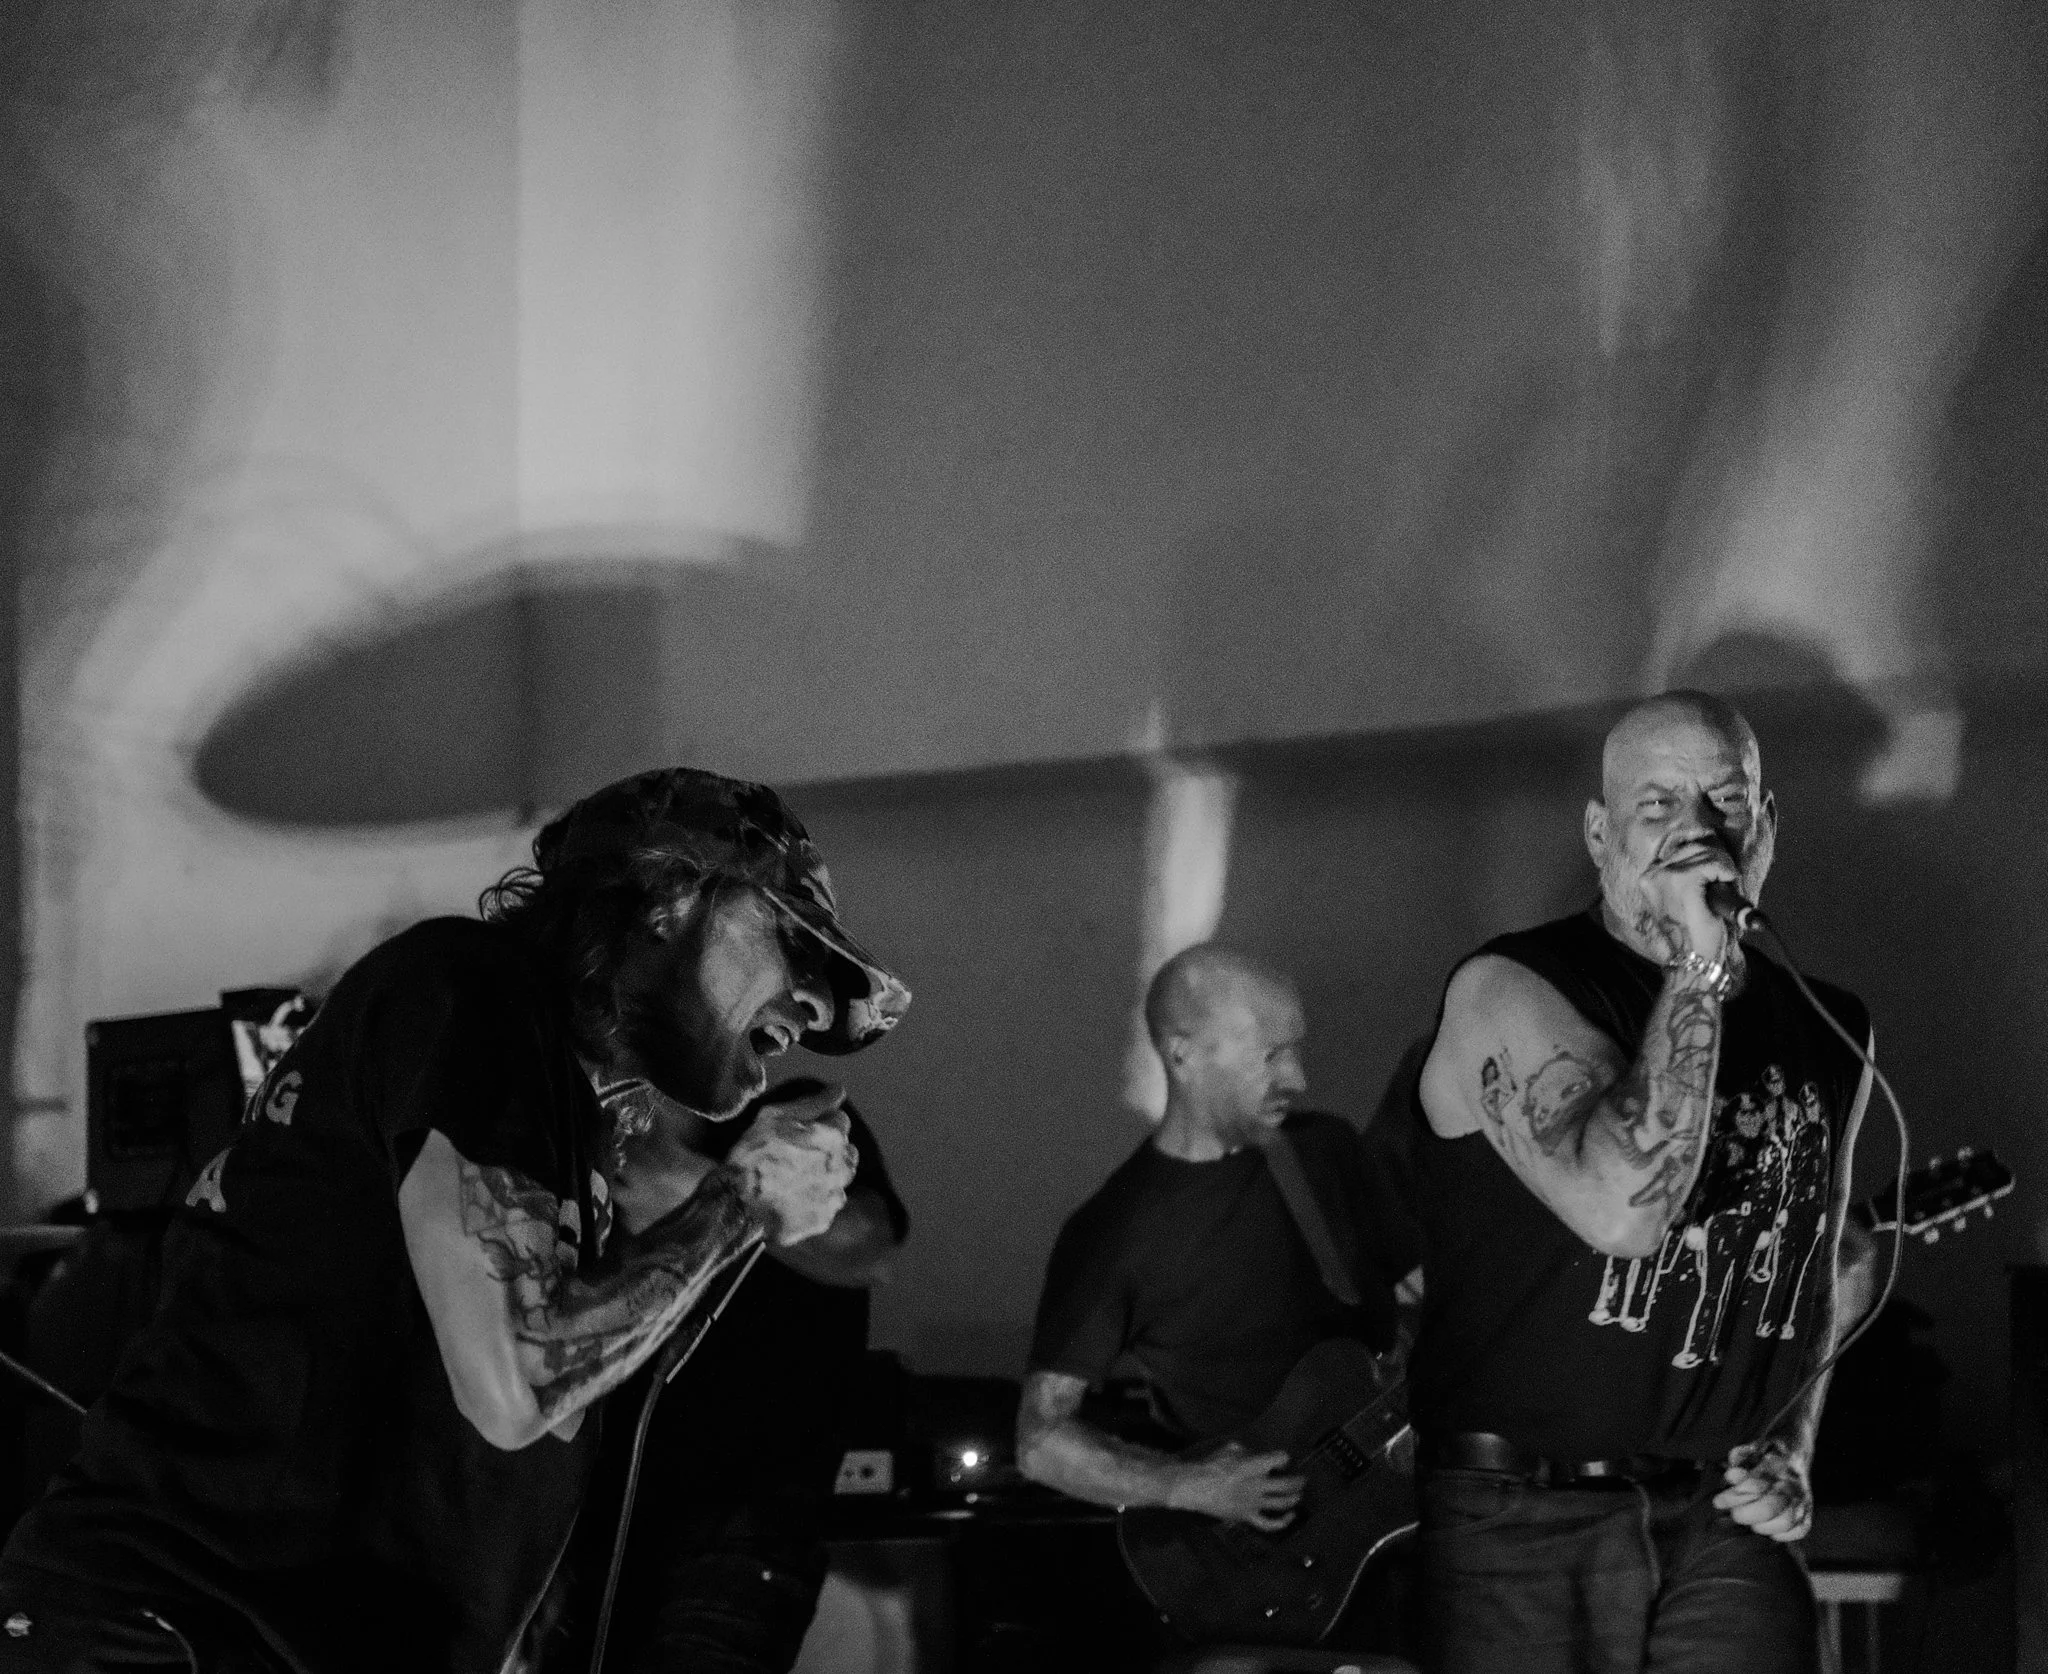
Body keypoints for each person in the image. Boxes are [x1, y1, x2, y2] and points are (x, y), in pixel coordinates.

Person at [0, 768, 910, 1674]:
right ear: (667, 900)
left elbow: (487, 1462)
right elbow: (514, 1383)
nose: (818, 1006)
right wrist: (738, 1201)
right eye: (793, 950)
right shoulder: (472, 992)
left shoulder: (568, 1123)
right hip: (178, 1629)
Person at [1409, 691, 1877, 1674]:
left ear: (1766, 826)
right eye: (1656, 804)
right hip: (1526, 1519)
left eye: (1724, 801)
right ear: (1598, 832)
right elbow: (1622, 1211)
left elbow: (1830, 1252)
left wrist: (1791, 1445)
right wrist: (1699, 972)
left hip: (1723, 1517)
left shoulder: (1830, 1024)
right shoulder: (1508, 989)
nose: (1696, 832)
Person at [1015, 945, 1420, 1656]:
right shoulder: (1116, 1231)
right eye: (1270, 1054)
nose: (1297, 1076)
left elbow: (1427, 1295)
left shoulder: (1323, 1151)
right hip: (1257, 1570)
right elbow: (1041, 1441)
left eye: (1296, 1050)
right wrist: (1186, 1486)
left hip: (1396, 1531)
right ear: (1181, 1054)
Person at [560, 1075, 909, 1674]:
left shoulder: (790, 1118)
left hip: (747, 1525)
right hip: (592, 1517)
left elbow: (868, 1249)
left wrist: (693, 1184)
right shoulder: (581, 1143)